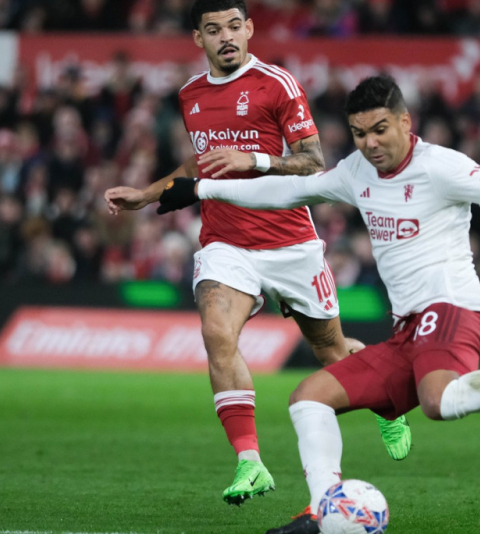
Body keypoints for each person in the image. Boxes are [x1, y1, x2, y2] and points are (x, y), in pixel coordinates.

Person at [156, 74, 480, 534]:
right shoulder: (356, 171)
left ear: (404, 121)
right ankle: (323, 508)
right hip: (409, 329)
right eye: (359, 133)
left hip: (455, 307)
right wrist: (200, 188)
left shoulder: (442, 167)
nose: (370, 143)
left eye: (379, 130)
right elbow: (292, 190)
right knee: (308, 397)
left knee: (439, 402)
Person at [102, 0, 411, 507]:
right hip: (225, 242)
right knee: (216, 332)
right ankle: (250, 462)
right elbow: (200, 163)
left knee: (332, 353)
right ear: (198, 39)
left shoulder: (277, 84)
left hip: (290, 243)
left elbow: (313, 161)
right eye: (213, 30)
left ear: (248, 29)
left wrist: (255, 159)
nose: (225, 37)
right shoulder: (191, 94)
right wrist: (146, 193)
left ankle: (388, 405)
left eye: (233, 26)